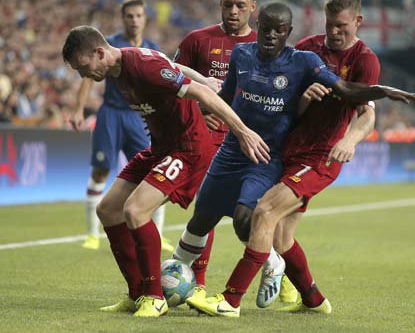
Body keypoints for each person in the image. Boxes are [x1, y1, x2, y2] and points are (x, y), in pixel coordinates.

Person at [183, 0, 415, 318]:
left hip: (323, 154)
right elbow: (283, 93)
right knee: (282, 237)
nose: (334, 32)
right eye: (329, 24)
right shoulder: (305, 50)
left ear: (358, 21)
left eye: (341, 26)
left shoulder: (364, 60)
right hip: (291, 149)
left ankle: (230, 300)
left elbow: (363, 110)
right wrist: (301, 99)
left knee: (264, 212)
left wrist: (352, 136)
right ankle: (313, 299)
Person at [62, 25, 270, 318]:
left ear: (99, 52)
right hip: (160, 147)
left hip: (188, 147)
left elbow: (197, 93)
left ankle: (155, 296)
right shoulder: (122, 68)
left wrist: (242, 131)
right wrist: (205, 78)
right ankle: (137, 294)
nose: (83, 75)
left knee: (135, 210)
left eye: (83, 67)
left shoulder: (141, 66)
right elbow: (174, 65)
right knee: (108, 209)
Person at [172, 0, 297, 303]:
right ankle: (197, 283)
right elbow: (172, 81)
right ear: (220, 4)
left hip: (256, 149)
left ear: (253, 8)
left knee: (250, 218)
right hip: (209, 142)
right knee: (206, 214)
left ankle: (276, 268)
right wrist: (200, 109)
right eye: (228, 4)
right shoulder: (197, 40)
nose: (233, 11)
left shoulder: (268, 47)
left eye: (241, 5)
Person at [69, 0, 171, 252]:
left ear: (145, 18)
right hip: (111, 114)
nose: (134, 20)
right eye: (129, 16)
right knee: (100, 171)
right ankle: (92, 234)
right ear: (123, 18)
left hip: (138, 116)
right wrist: (79, 108)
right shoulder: (110, 44)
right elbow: (88, 78)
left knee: (154, 173)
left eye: (138, 15)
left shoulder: (152, 47)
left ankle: (157, 233)